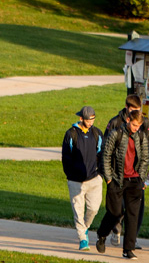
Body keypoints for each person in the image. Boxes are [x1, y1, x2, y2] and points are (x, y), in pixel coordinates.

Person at [98, 109, 149, 259]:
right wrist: (109, 178)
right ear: (128, 120)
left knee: (132, 215)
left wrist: (141, 178)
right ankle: (102, 235)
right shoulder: (115, 134)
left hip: (134, 181)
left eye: (139, 125)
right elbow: (106, 155)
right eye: (134, 124)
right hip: (117, 180)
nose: (136, 128)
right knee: (115, 213)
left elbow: (145, 158)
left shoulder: (141, 137)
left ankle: (128, 249)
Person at [61, 105, 103, 251]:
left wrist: (100, 174)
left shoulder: (97, 133)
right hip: (75, 180)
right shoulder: (71, 134)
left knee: (94, 208)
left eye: (93, 119)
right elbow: (66, 157)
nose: (91, 122)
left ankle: (85, 227)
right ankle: (83, 239)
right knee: (78, 211)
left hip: (94, 179)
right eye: (88, 120)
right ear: (81, 119)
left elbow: (101, 154)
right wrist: (70, 175)